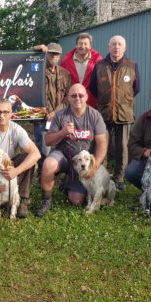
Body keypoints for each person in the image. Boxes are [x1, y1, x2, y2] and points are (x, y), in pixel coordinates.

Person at [36, 84, 107, 217]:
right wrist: (63, 132)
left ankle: (69, 181)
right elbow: (48, 141)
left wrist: (95, 166)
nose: (77, 98)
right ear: (68, 98)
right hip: (63, 155)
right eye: (73, 95)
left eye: (81, 95)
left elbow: (102, 144)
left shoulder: (95, 115)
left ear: (86, 97)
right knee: (48, 164)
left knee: (76, 200)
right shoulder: (60, 115)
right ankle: (46, 200)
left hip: (84, 162)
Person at [89, 35, 140, 191]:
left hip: (124, 113)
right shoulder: (99, 66)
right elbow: (93, 88)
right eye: (113, 44)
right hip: (104, 112)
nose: (116, 47)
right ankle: (101, 175)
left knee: (122, 147)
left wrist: (121, 100)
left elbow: (136, 88)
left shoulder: (132, 65)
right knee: (101, 144)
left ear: (124, 48)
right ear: (108, 47)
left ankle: (119, 178)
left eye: (119, 45)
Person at [0, 99, 41, 218]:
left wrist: (16, 171)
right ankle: (2, 197)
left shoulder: (17, 129)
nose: (2, 115)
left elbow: (36, 153)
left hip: (9, 166)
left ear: (11, 114)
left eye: (5, 112)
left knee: (27, 158)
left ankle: (23, 200)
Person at [32, 42, 72, 162]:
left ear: (60, 56)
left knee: (61, 146)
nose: (54, 56)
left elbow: (68, 97)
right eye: (51, 53)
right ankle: (42, 174)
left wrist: (55, 112)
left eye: (57, 54)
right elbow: (23, 61)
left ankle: (56, 172)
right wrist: (34, 49)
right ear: (46, 54)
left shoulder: (65, 74)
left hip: (59, 116)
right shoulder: (36, 69)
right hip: (41, 118)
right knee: (44, 148)